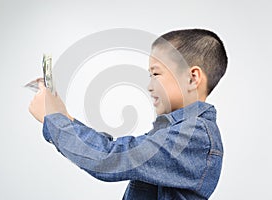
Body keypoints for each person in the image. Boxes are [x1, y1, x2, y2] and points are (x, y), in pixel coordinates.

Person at [29, 28, 228, 199]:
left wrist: (54, 120)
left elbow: (109, 157)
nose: (150, 86)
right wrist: (66, 119)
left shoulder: (193, 135)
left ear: (192, 78)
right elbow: (116, 151)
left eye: (156, 74)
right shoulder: (179, 132)